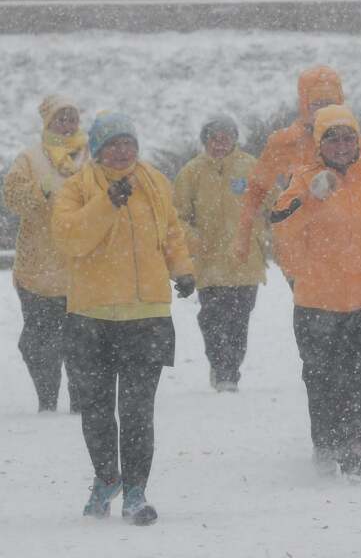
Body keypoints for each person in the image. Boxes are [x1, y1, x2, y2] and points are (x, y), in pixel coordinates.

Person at [52, 112, 196, 525]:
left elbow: (170, 232)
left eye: (128, 142)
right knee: (96, 410)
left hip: (146, 315)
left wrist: (182, 269)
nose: (122, 151)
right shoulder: (77, 187)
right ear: (97, 149)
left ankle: (135, 490)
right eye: (113, 143)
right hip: (90, 316)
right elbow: (70, 238)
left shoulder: (154, 182)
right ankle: (106, 478)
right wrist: (106, 204)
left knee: (136, 411)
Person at [269, 105, 361, 480]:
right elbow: (282, 229)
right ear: (319, 144)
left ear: (358, 141)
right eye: (332, 138)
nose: (341, 145)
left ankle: (356, 449)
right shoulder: (302, 180)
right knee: (322, 377)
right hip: (319, 300)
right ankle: (326, 444)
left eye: (348, 137)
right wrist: (311, 198)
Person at [233, 65, 361, 265]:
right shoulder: (283, 143)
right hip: (299, 251)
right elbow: (256, 191)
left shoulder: (355, 143)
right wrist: (243, 236)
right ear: (304, 105)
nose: (324, 110)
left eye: (330, 103)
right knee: (314, 295)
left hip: (348, 247)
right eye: (318, 104)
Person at [3, 95, 87, 413]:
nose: (67, 125)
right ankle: (47, 401)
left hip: (81, 267)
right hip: (37, 268)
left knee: (81, 342)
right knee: (40, 341)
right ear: (47, 122)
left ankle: (81, 401)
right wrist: (43, 190)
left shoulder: (89, 157)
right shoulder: (30, 158)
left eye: (71, 118)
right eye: (60, 119)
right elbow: (11, 196)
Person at [173, 116, 268, 392]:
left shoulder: (251, 167)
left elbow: (274, 200)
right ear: (205, 140)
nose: (220, 143)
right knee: (212, 319)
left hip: (245, 261)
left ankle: (230, 370)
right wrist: (194, 240)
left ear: (234, 139)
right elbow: (177, 216)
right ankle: (220, 366)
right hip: (209, 264)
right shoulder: (191, 172)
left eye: (226, 137)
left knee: (238, 322)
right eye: (215, 137)